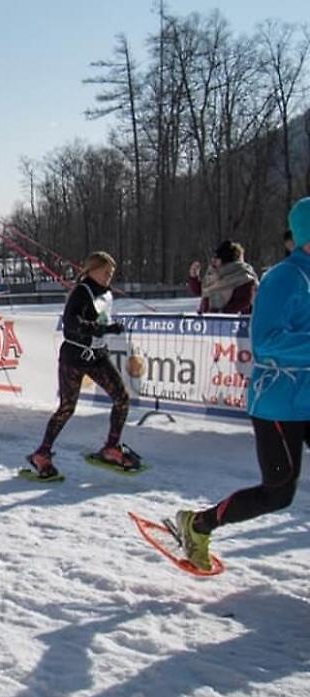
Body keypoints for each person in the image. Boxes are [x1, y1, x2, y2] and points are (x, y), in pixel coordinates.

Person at [172, 199, 310, 571]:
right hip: (280, 400)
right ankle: (199, 524)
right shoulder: (285, 278)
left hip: (306, 396)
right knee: (278, 492)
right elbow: (266, 341)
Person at [25, 252, 132, 480]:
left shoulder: (106, 293)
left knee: (122, 398)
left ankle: (111, 447)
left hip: (97, 355)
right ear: (92, 270)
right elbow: (71, 323)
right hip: (74, 356)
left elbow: (100, 318)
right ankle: (42, 453)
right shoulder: (81, 292)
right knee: (67, 407)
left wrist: (108, 327)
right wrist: (102, 329)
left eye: (112, 273)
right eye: (105, 272)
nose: (109, 277)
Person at [188, 240, 258, 314]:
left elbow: (243, 302)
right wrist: (194, 278)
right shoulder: (215, 274)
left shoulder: (243, 277)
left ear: (226, 260)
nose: (213, 261)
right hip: (209, 319)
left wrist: (220, 313)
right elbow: (202, 290)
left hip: (230, 320)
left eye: (217, 258)